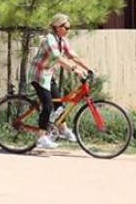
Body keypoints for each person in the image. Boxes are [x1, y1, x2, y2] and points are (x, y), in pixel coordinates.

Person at [28, 13, 94, 149]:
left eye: (69, 28)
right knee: (48, 106)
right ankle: (41, 137)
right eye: (66, 28)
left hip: (48, 75)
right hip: (38, 75)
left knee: (59, 106)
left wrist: (88, 69)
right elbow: (58, 58)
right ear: (57, 26)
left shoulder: (62, 41)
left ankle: (63, 130)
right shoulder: (49, 40)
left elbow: (72, 56)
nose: (68, 30)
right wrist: (75, 69)